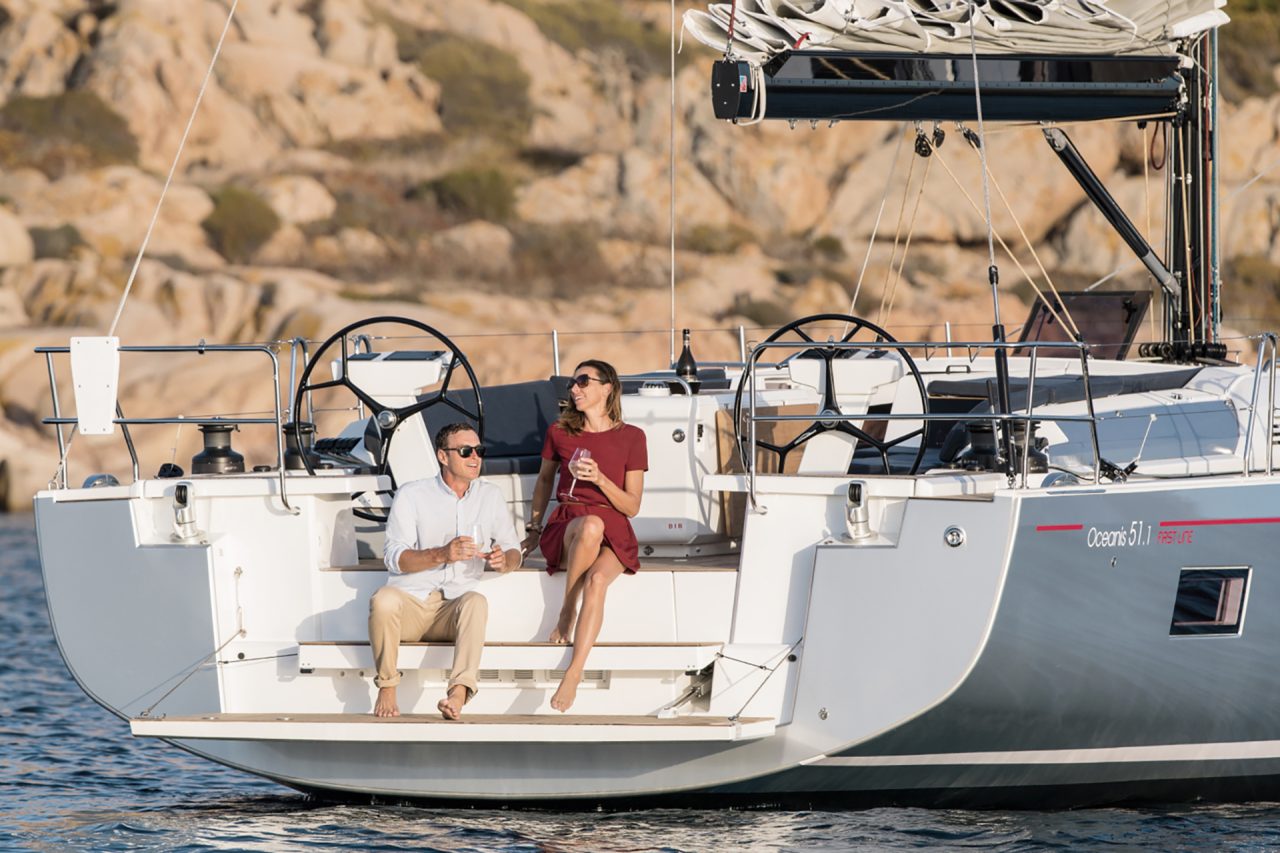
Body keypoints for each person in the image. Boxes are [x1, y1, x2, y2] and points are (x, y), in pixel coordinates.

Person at [370, 423, 521, 720]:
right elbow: (394, 557)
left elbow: (513, 548)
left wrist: (507, 560)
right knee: (384, 599)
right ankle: (387, 686)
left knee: (476, 602)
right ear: (443, 456)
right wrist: (442, 554)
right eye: (466, 451)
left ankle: (459, 692)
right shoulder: (412, 494)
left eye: (479, 450)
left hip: (453, 607)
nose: (475, 457)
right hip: (411, 605)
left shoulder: (490, 495)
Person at [524, 359, 647, 712]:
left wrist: (600, 479)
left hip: (616, 529)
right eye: (572, 384)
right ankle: (566, 611)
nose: (574, 389)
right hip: (570, 523)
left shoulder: (633, 437)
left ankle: (575, 672)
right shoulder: (559, 432)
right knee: (591, 525)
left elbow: (632, 506)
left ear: (608, 387)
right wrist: (534, 528)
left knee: (597, 580)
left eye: (583, 381)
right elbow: (544, 481)